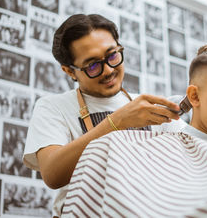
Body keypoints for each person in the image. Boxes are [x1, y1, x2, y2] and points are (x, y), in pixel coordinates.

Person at [23, 14, 186, 217]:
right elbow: (53, 174)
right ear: (69, 71)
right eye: (92, 65)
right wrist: (117, 121)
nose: (108, 70)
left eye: (112, 56)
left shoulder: (151, 107)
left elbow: (191, 163)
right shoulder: (52, 107)